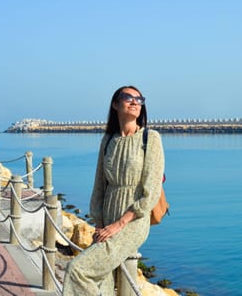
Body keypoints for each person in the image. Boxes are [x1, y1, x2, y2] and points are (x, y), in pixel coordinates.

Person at [63, 85, 165, 295]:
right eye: (128, 97)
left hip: (133, 221)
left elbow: (151, 191)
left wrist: (119, 224)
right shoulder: (108, 140)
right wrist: (99, 222)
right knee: (104, 282)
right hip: (107, 217)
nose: (135, 102)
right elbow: (99, 185)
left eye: (139, 99)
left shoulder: (150, 138)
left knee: (78, 270)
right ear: (115, 104)